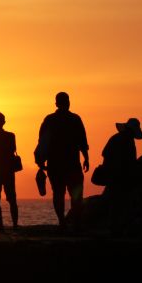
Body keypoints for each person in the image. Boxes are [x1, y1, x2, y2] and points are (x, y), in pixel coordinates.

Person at [34, 92, 89, 227]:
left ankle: (62, 222)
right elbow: (82, 141)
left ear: (56, 104)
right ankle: (74, 223)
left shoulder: (50, 120)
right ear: (67, 102)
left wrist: (40, 161)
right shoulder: (75, 119)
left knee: (58, 194)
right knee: (75, 195)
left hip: (56, 165)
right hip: (71, 164)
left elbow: (42, 141)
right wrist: (86, 158)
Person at [101, 117, 142, 190]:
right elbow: (131, 160)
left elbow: (105, 154)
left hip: (111, 173)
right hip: (119, 175)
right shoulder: (128, 141)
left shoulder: (115, 137)